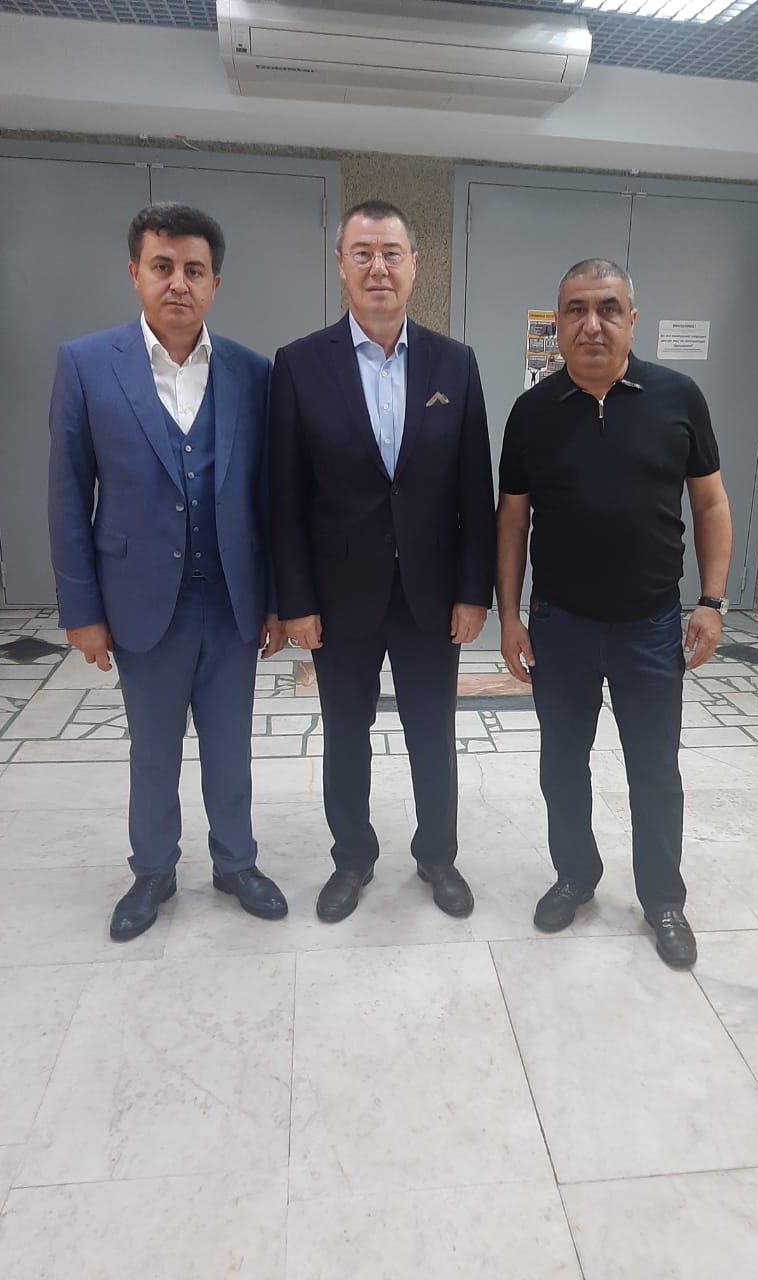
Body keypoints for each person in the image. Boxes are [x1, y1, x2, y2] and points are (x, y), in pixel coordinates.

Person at [48, 202, 288, 942]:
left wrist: (277, 600)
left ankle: (236, 862)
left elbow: (270, 496)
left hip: (232, 597)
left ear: (216, 282)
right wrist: (82, 612)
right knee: (152, 749)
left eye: (193, 269)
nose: (178, 283)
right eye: (162, 267)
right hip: (140, 600)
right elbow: (68, 493)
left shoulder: (252, 372)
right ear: (135, 274)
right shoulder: (86, 364)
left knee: (230, 743)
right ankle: (152, 869)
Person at [496, 258, 732, 968]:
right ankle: (575, 875)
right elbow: (511, 521)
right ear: (558, 323)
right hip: (560, 628)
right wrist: (510, 616)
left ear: (633, 318)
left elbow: (710, 503)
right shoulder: (533, 412)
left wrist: (712, 601)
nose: (592, 324)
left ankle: (663, 899)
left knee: (655, 771)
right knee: (562, 765)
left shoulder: (678, 398)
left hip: (650, 628)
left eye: (607, 308)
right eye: (576, 309)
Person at [268, 200, 495, 923]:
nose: (378, 267)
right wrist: (296, 601)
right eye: (362, 253)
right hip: (338, 598)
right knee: (346, 734)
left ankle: (438, 855)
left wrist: (474, 592)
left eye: (391, 253)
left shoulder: (455, 364)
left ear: (414, 265)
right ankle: (352, 858)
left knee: (433, 731)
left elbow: (474, 490)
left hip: (432, 594)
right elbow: (284, 497)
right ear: (341, 264)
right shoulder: (299, 365)